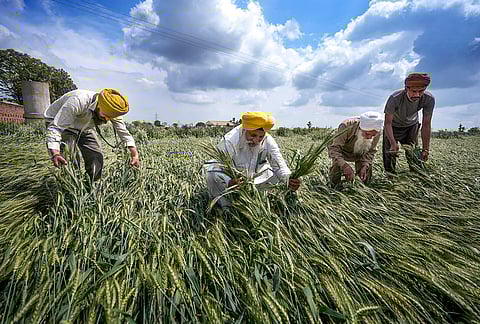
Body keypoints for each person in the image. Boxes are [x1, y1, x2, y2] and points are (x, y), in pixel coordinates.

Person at [206, 111, 301, 208]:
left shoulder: (268, 140)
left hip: (257, 180)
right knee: (211, 174)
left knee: (278, 176)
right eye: (253, 135)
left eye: (261, 137)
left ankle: (269, 202)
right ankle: (225, 207)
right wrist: (229, 181)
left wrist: (289, 179)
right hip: (234, 182)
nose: (256, 141)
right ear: (245, 129)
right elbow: (217, 165)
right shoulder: (230, 140)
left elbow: (279, 166)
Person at [44, 88, 140, 181]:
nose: (106, 119)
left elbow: (124, 133)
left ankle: (92, 184)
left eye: (110, 118)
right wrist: (55, 153)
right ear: (98, 106)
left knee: (96, 155)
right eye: (105, 116)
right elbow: (56, 128)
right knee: (70, 158)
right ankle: (71, 186)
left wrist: (134, 155)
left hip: (84, 127)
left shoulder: (112, 110)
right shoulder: (78, 101)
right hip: (61, 124)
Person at [383, 72, 435, 174]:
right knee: (390, 155)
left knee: (414, 156)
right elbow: (387, 123)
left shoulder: (429, 99)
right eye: (414, 91)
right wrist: (393, 143)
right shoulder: (395, 98)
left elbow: (426, 125)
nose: (417, 95)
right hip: (393, 127)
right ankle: (390, 179)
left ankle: (415, 178)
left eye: (421, 91)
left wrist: (426, 149)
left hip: (411, 127)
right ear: (406, 88)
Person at [327, 111, 384, 186]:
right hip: (342, 151)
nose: (369, 137)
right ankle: (334, 189)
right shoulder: (346, 126)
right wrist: (345, 166)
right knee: (336, 166)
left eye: (373, 135)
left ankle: (364, 189)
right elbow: (334, 150)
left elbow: (371, 151)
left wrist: (365, 165)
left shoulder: (377, 131)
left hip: (361, 152)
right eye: (367, 134)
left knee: (366, 169)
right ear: (361, 128)